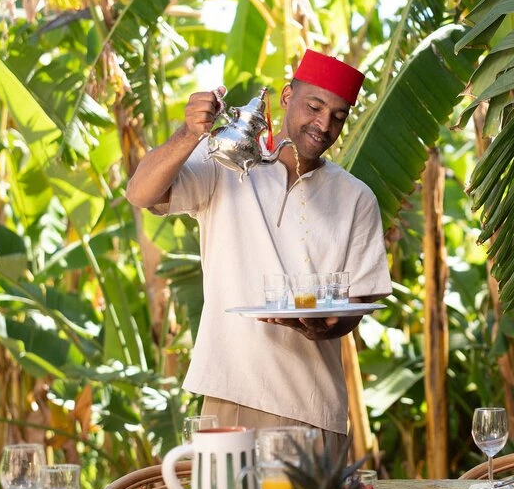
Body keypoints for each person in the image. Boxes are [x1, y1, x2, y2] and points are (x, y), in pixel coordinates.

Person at [125, 50, 392, 451]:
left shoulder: (356, 198)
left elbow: (355, 302)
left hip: (315, 410)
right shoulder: (225, 164)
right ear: (286, 97)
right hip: (230, 395)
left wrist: (323, 326)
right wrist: (189, 133)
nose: (324, 125)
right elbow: (140, 193)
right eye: (314, 107)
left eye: (338, 116)